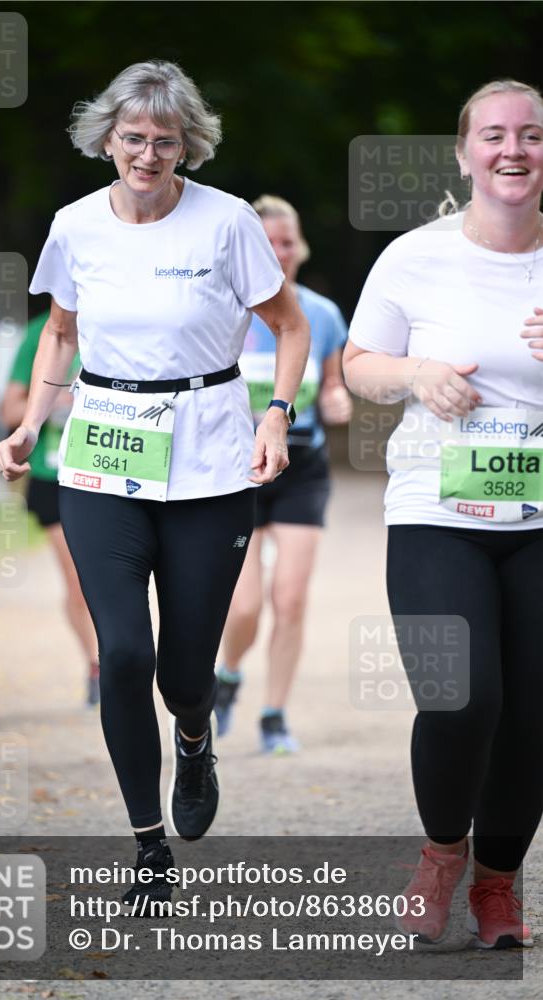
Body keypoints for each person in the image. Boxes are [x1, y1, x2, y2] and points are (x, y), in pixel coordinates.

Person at [0, 60, 310, 909]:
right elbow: (60, 333)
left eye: (164, 141)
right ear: (106, 139)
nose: (146, 153)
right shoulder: (74, 226)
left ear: (187, 147)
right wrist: (30, 423)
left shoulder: (228, 222)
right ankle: (146, 843)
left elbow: (288, 327)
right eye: (132, 137)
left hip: (208, 451)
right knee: (124, 653)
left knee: (181, 671)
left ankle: (196, 736)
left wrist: (274, 414)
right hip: (104, 451)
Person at [343, 79, 543, 950]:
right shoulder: (414, 256)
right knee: (462, 698)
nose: (513, 150)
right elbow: (356, 365)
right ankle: (439, 857)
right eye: (494, 135)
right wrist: (415, 376)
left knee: (534, 709)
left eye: (531, 135)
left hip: (538, 519)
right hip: (434, 509)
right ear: (464, 154)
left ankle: (498, 885)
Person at [215, 196, 352, 753]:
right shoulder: (224, 306)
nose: (279, 252)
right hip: (237, 468)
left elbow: (334, 382)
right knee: (244, 604)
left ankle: (274, 717)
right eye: (268, 242)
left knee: (290, 599)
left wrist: (340, 399)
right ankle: (228, 675)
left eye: (288, 241)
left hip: (302, 466)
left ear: (301, 247)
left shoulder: (321, 314)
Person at [0, 312, 99, 707]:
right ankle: (96, 663)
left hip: (113, 472)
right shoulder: (39, 335)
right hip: (52, 475)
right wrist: (57, 402)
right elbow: (9, 411)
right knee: (79, 579)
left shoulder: (121, 317)